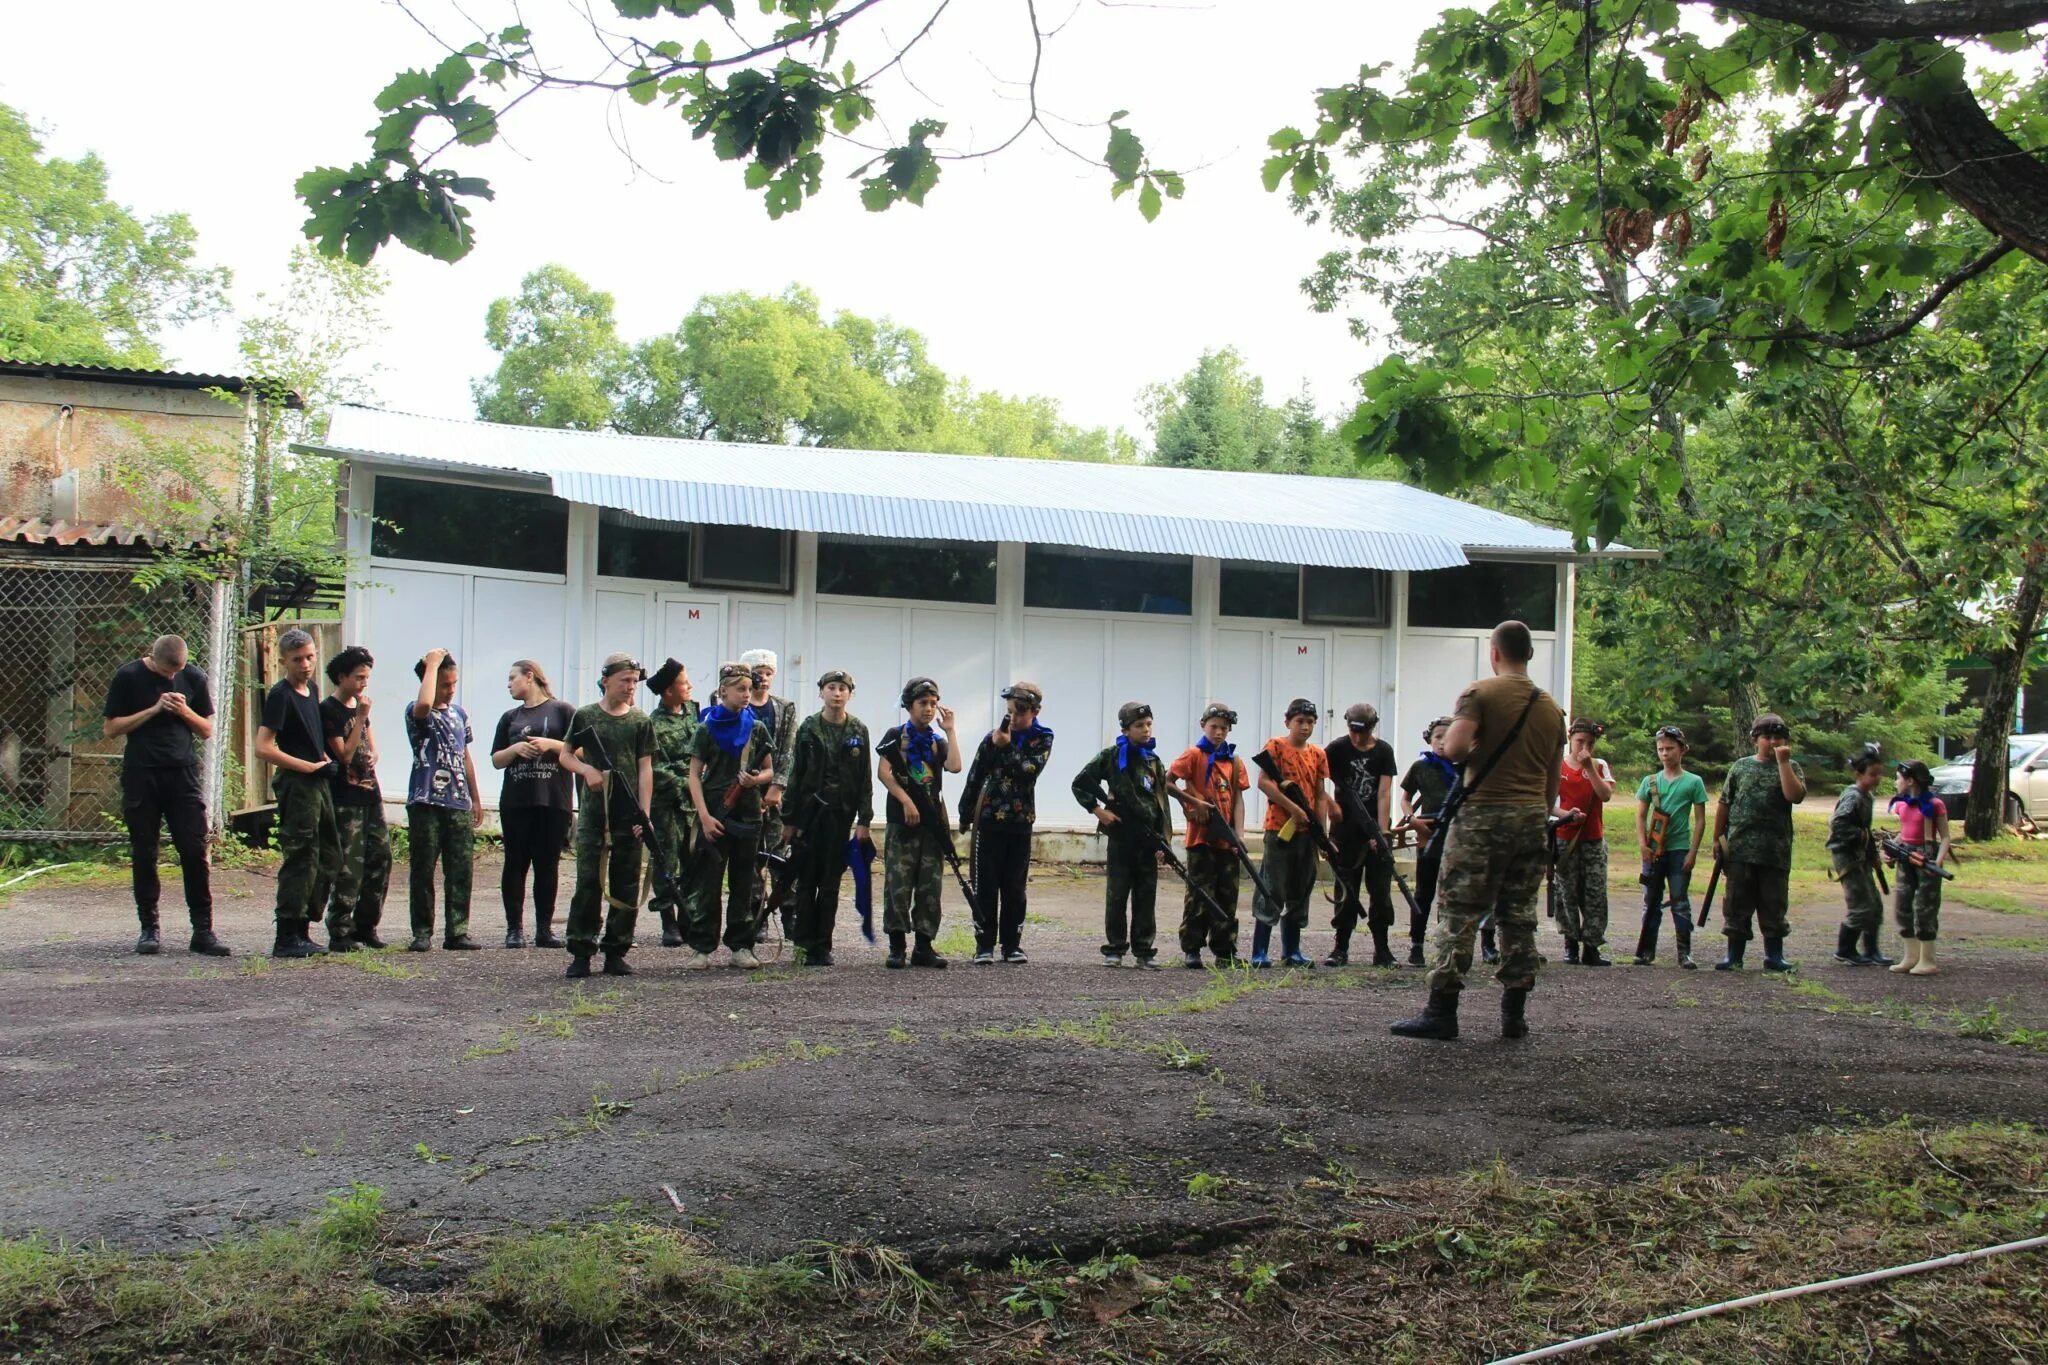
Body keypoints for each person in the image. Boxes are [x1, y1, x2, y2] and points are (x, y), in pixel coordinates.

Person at [1390, 621, 1566, 1042]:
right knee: (1519, 914)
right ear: (1529, 654)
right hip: (1529, 819)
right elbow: (1553, 778)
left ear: (1494, 652)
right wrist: (1537, 814)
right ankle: (1514, 1013)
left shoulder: (1479, 694)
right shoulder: (1550, 708)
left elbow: (1451, 749)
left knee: (1459, 909)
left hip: (1482, 816)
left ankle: (1442, 1011)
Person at [102, 634, 227, 956]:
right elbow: (111, 728)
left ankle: (203, 930)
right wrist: (155, 709)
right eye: (167, 672)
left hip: (182, 775)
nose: (173, 677)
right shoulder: (128, 676)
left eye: (178, 671)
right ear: (152, 658)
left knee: (193, 850)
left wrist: (185, 712)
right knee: (145, 852)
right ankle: (149, 929)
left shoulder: (193, 677)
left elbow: (207, 729)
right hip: (142, 775)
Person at [558, 653, 657, 977]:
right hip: (593, 814)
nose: (631, 687)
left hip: (627, 814)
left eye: (634, 681)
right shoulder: (587, 716)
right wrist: (587, 770)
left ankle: (616, 949)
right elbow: (565, 755)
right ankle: (581, 950)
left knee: (626, 883)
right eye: (624, 681)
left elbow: (645, 768)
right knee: (588, 882)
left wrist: (645, 812)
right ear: (606, 681)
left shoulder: (640, 721)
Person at [686, 662, 778, 970]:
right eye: (740, 689)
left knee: (744, 881)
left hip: (749, 815)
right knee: (709, 883)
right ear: (722, 690)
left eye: (749, 690)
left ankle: (741, 944)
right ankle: (702, 946)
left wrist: (756, 781)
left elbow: (770, 770)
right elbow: (694, 776)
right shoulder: (706, 728)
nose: (746, 695)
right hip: (715, 813)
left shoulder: (756, 728)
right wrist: (704, 816)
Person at [255, 628, 340, 959]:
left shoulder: (313, 689)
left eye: (310, 657)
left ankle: (304, 924)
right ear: (283, 662)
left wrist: (324, 761)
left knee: (328, 855)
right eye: (297, 659)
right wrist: (306, 767)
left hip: (318, 780)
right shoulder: (281, 695)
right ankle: (287, 933)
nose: (305, 664)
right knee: (301, 856)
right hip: (297, 783)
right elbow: (263, 747)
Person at [782, 668, 874, 966]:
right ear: (821, 692)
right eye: (831, 687)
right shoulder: (809, 728)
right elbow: (796, 775)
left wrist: (864, 820)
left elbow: (865, 778)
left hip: (840, 816)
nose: (837, 693)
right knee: (807, 880)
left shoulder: (858, 730)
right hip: (810, 816)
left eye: (842, 688)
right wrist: (789, 818)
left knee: (831, 882)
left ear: (850, 694)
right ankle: (806, 944)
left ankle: (824, 944)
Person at [1074, 701, 1174, 969]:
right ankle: (1115, 948)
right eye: (1139, 726)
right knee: (1117, 895)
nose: (1146, 730)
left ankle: (1144, 950)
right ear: (1125, 729)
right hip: (1121, 837)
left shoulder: (1154, 761)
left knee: (1146, 896)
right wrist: (1099, 811)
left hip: (1147, 839)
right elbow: (1080, 783)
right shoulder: (1111, 756)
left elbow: (1162, 803)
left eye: (1149, 724)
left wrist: (1165, 840)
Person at [959, 681, 1053, 965]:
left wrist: (1009, 746)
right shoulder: (993, 737)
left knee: (1014, 887)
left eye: (1020, 712)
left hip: (1020, 822)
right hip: (988, 821)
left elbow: (1029, 772)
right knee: (985, 886)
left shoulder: (1042, 738)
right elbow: (975, 774)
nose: (1013, 718)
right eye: (1010, 711)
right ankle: (983, 945)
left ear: (1035, 712)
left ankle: (1012, 945)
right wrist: (965, 813)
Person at [876, 677, 961, 969]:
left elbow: (954, 766)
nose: (928, 709)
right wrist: (906, 800)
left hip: (932, 821)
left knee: (930, 885)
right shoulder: (896, 736)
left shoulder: (936, 741)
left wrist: (950, 731)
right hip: (903, 821)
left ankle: (924, 945)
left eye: (933, 704)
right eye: (923, 703)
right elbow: (884, 772)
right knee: (898, 883)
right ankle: (897, 945)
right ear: (909, 705)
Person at [490, 660, 576, 949]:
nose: (509, 684)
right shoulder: (509, 717)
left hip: (552, 799)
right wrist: (515, 749)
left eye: (512, 678)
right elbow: (496, 760)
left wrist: (550, 745)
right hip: (516, 800)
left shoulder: (563, 710)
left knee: (547, 865)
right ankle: (514, 929)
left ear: (530, 677)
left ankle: (544, 929)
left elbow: (582, 750)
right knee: (515, 863)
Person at [1713, 712, 1806, 973]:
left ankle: (1774, 956)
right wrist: (1717, 838)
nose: (1773, 742)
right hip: (1740, 849)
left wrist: (1784, 763)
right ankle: (1734, 956)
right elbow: (1724, 803)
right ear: (1756, 739)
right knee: (1736, 904)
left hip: (1774, 850)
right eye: (1767, 737)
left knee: (1773, 904)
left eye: (1779, 737)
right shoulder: (1740, 767)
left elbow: (1794, 796)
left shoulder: (1792, 767)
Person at [404, 648, 482, 952]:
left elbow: (465, 755)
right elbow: (424, 704)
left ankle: (457, 930)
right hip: (426, 801)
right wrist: (432, 663)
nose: (450, 691)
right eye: (443, 684)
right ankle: (422, 931)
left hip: (457, 802)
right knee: (423, 867)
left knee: (461, 868)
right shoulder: (417, 710)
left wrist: (475, 797)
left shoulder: (459, 714)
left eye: (453, 684)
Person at [1167, 703, 1249, 968]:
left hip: (1227, 840)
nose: (1219, 733)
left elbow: (1238, 799)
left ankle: (1225, 950)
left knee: (1228, 895)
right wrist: (1193, 803)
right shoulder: (1193, 755)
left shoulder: (1235, 761)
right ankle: (1192, 947)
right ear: (1203, 725)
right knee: (1200, 895)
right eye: (1214, 727)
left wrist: (1239, 834)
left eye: (1224, 728)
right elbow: (1167, 782)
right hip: (1201, 838)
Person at [321, 646, 391, 950]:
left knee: (381, 858)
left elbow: (370, 748)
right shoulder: (330, 710)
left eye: (367, 677)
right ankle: (340, 928)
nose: (364, 683)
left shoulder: (359, 708)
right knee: (349, 865)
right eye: (359, 677)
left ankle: (367, 924)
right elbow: (345, 754)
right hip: (345, 797)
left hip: (370, 793)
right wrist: (361, 716)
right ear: (342, 677)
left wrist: (374, 754)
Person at [1251, 699, 1330, 969]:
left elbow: (1320, 795)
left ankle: (1292, 950)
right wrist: (1293, 808)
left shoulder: (1318, 754)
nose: (1305, 727)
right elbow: (1263, 782)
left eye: (1310, 722)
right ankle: (1260, 950)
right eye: (1300, 721)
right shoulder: (1275, 746)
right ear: (1288, 722)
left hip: (1307, 832)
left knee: (1301, 888)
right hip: (1279, 828)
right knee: (1272, 887)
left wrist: (1322, 832)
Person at [1325, 702, 1400, 967]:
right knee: (1346, 890)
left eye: (1363, 731)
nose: (1358, 737)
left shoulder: (1383, 751)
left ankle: (1382, 949)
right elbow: (1315, 781)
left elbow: (1384, 792)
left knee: (1380, 892)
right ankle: (1340, 947)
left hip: (1374, 827)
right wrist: (1328, 813)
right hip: (1345, 830)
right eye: (1353, 731)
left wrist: (1380, 833)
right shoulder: (1336, 749)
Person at [1633, 725, 1710, 968]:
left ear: (1682, 750)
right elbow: (1640, 816)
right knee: (1651, 902)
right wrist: (1643, 845)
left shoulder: (1694, 782)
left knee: (1680, 901)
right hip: (1654, 850)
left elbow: (1700, 821)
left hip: (1679, 850)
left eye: (1670, 749)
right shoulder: (1650, 781)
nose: (1665, 753)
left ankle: (1684, 952)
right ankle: (1646, 951)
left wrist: (1693, 852)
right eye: (1661, 749)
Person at [740, 648, 797, 941]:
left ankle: (788, 911)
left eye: (768, 671)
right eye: (757, 671)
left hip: (776, 795)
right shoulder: (738, 704)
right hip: (745, 790)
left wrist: (777, 786)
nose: (763, 676)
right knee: (750, 856)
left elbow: (787, 750)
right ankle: (756, 914)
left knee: (780, 853)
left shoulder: (784, 708)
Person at [644, 658, 700, 949]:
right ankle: (668, 920)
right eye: (683, 683)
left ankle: (687, 917)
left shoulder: (694, 712)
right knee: (666, 860)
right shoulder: (653, 724)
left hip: (695, 804)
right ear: (668, 691)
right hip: (668, 803)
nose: (689, 686)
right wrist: (687, 783)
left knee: (693, 861)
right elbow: (656, 766)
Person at [1553, 718, 1616, 966]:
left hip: (1593, 839)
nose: (1584, 747)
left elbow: (1606, 795)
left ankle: (1592, 946)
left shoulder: (1599, 765)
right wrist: (1565, 816)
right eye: (1580, 742)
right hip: (1565, 839)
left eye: (1590, 743)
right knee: (1566, 892)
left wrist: (1589, 767)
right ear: (1570, 739)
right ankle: (1570, 942)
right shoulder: (1558, 767)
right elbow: (1548, 802)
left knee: (1595, 894)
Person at [1396, 716, 1457, 967]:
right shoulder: (1421, 767)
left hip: (1457, 836)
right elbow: (1406, 798)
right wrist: (1412, 819)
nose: (1442, 743)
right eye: (1437, 738)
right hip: (1428, 834)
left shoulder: (1465, 768)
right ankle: (1417, 945)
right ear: (1429, 740)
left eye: (1448, 737)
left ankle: (1448, 946)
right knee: (1424, 892)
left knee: (1451, 894)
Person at [1826, 745, 1891, 968]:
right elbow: (1838, 824)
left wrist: (1872, 855)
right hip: (1847, 856)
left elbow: (1866, 831)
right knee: (1860, 905)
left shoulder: (1867, 797)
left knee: (1874, 904)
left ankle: (1871, 950)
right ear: (1859, 774)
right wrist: (1860, 836)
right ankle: (1845, 949)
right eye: (1872, 774)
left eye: (1879, 773)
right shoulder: (1853, 797)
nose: (1877, 778)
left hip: (1861, 856)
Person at [1887, 759, 1951, 977]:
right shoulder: (1902, 804)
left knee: (1925, 907)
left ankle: (1927, 958)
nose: (1896, 782)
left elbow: (1945, 838)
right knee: (1903, 905)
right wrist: (1891, 850)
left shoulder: (1934, 805)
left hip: (1927, 857)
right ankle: (1910, 955)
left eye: (1899, 778)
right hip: (1906, 856)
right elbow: (1903, 833)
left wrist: (1938, 862)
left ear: (1911, 780)